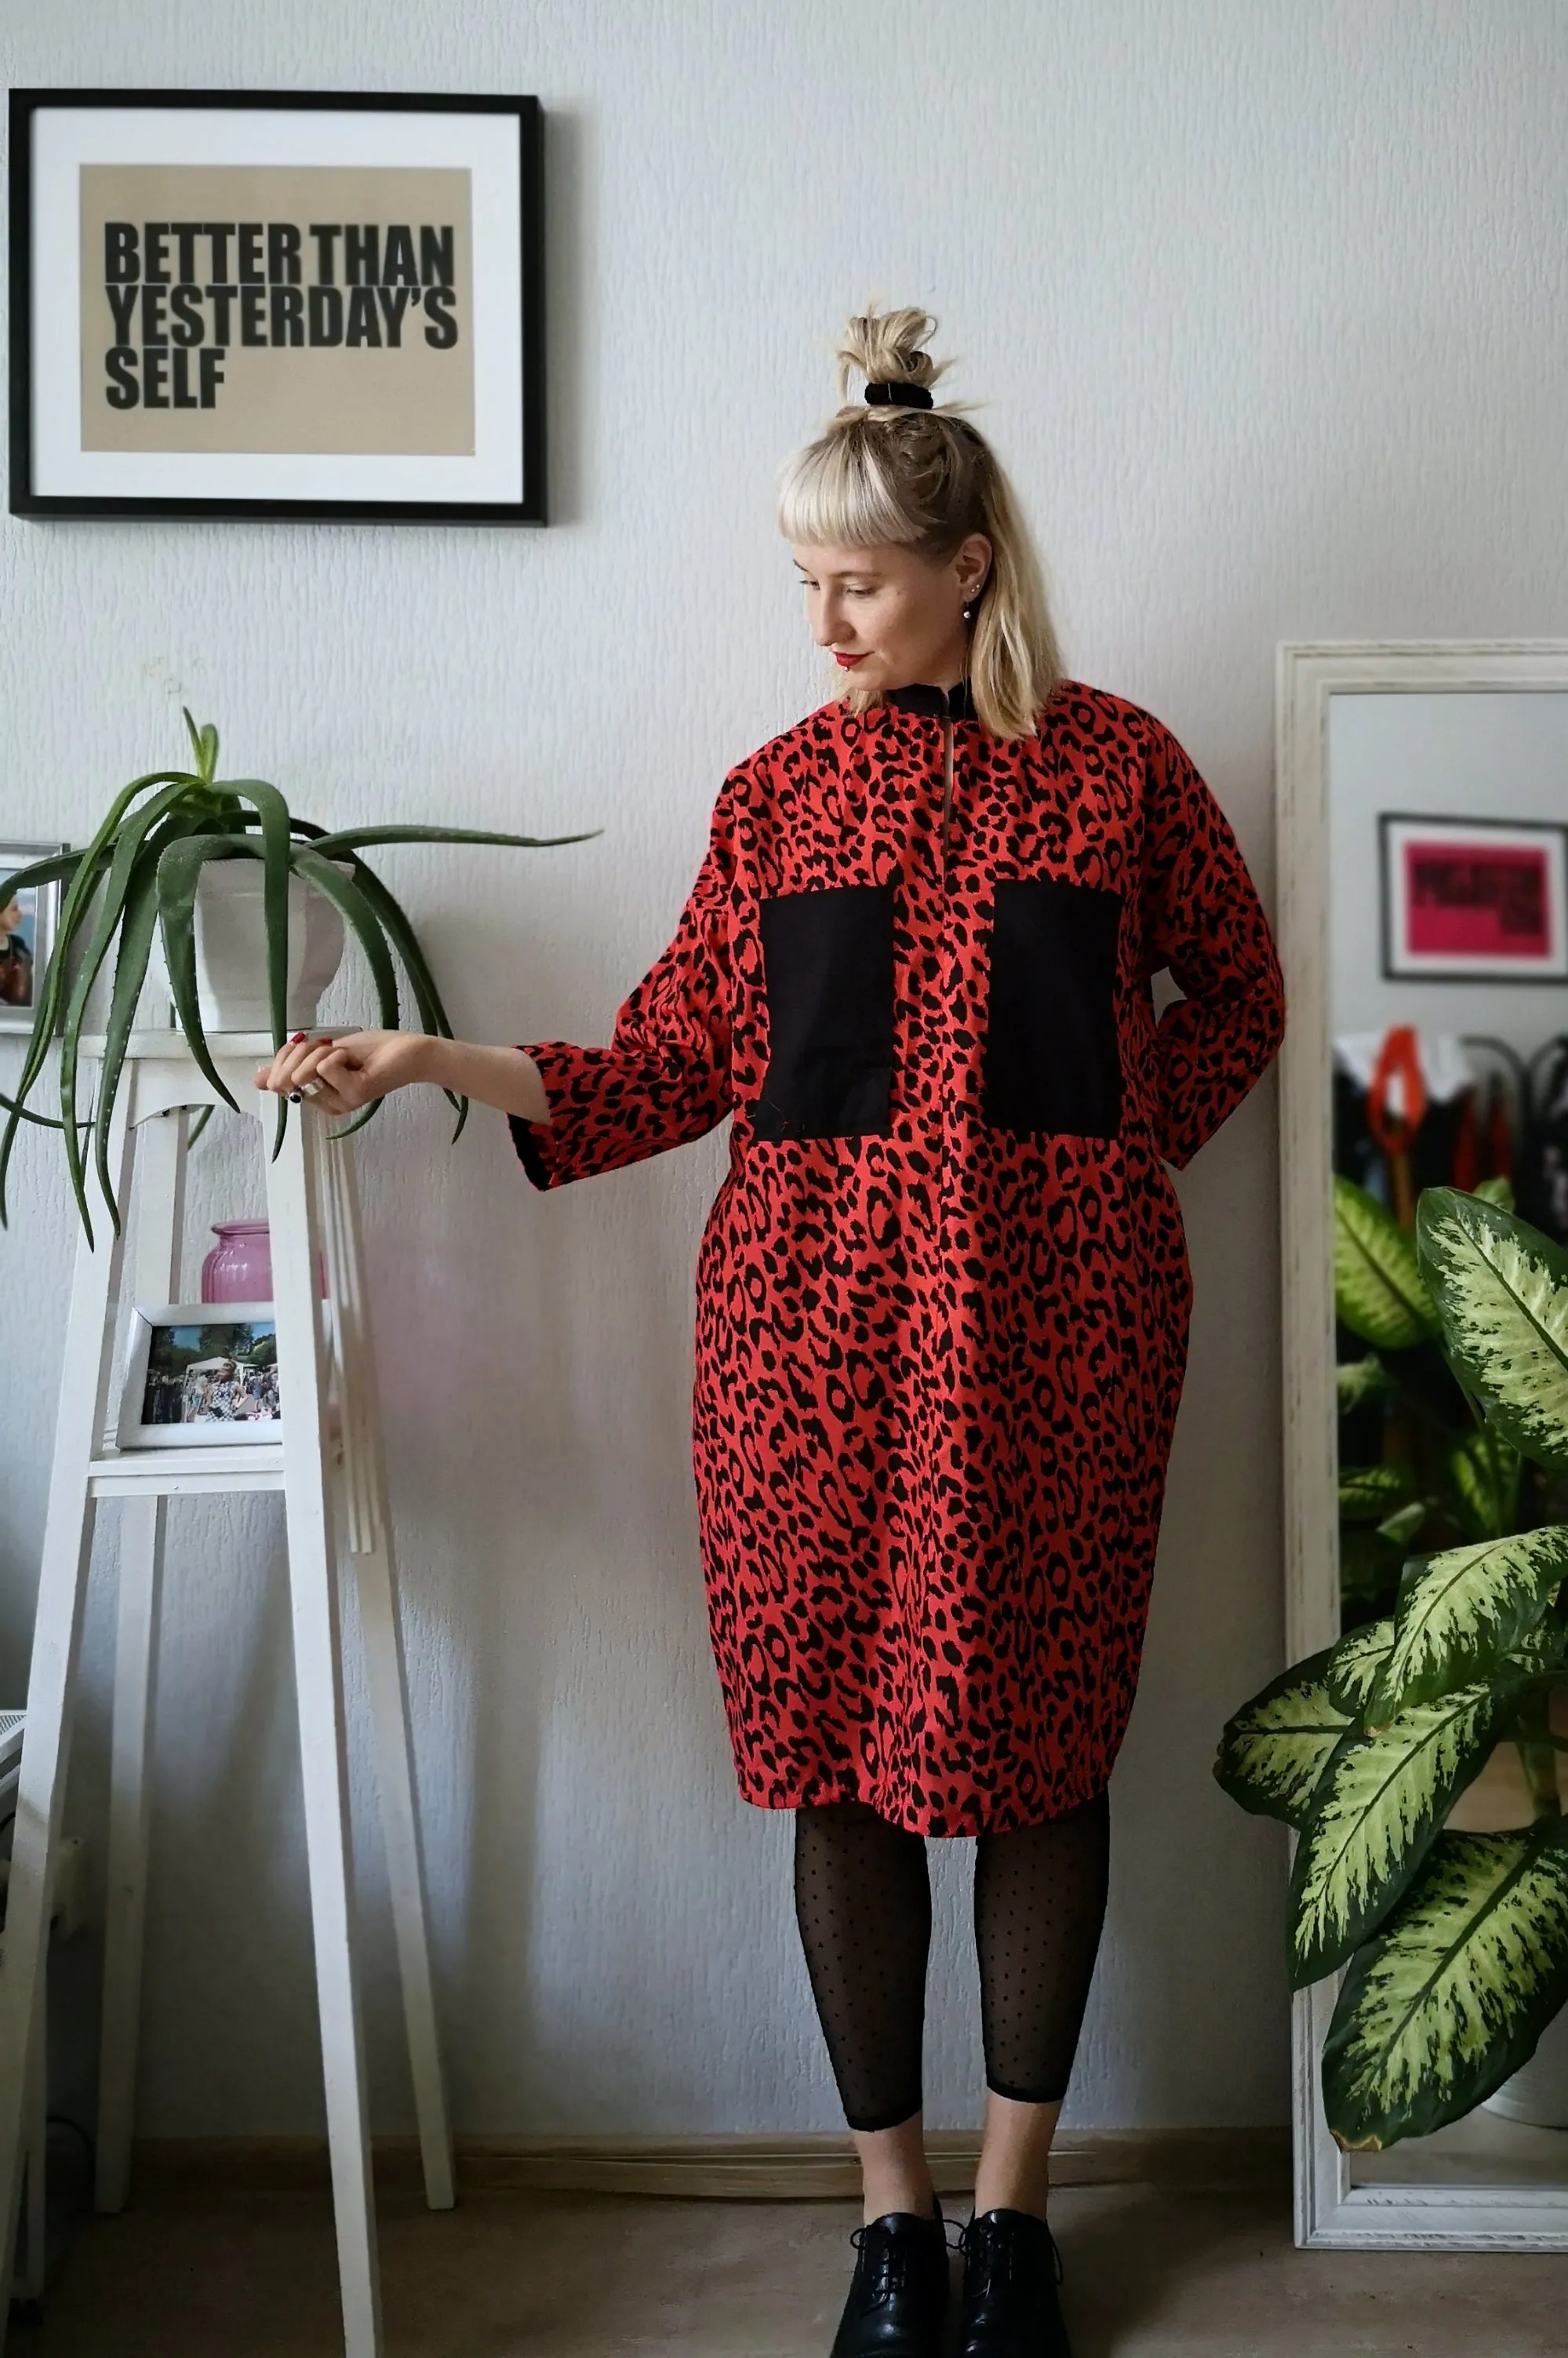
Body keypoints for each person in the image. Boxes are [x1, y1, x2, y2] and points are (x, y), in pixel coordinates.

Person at [257, 304, 1286, 2358]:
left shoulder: (1118, 770)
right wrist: (426, 1054)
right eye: (801, 584)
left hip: (1060, 1350)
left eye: (855, 582)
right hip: (802, 1364)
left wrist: (1096, 1157)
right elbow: (666, 1063)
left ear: (966, 564)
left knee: (1038, 1756)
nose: (819, 620)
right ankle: (887, 2224)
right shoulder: (772, 802)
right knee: (835, 1762)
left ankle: (1013, 2219)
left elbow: (1236, 998)